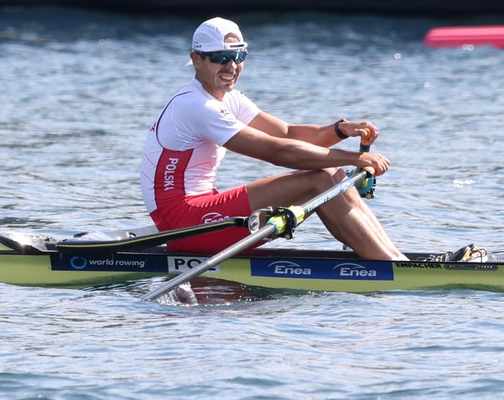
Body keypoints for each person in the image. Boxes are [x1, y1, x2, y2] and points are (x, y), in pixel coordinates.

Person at [140, 16, 409, 260]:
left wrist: (339, 130)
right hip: (182, 225)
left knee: (329, 172)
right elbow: (277, 152)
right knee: (321, 178)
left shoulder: (228, 98)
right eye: (221, 57)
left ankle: (394, 258)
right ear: (196, 59)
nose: (232, 66)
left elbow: (287, 133)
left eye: (239, 55)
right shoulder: (197, 106)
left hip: (201, 210)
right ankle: (390, 266)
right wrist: (356, 158)